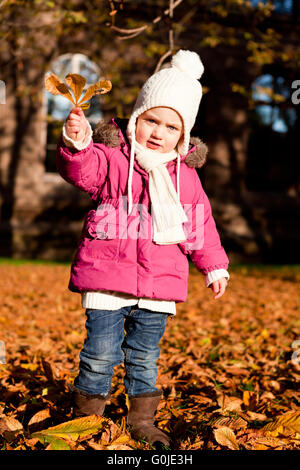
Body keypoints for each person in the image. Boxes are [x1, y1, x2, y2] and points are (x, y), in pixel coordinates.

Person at [56, 49, 230, 447]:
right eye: (151, 119)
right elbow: (83, 170)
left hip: (159, 285)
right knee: (100, 353)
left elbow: (199, 224)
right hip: (106, 280)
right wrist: (77, 143)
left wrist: (214, 266)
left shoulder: (184, 177)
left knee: (143, 356)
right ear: (136, 118)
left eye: (171, 126)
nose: (158, 132)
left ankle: (141, 420)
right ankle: (87, 418)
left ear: (183, 135)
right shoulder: (113, 159)